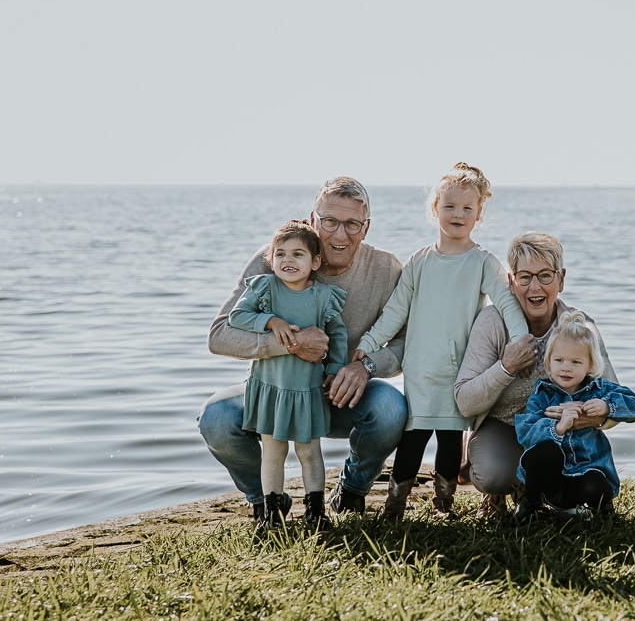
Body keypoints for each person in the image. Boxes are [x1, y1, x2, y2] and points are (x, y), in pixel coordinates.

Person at [200, 177, 407, 523]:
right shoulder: (277, 258)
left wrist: (365, 367)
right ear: (313, 220)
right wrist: (291, 345)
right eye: (329, 222)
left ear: (366, 227)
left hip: (336, 393)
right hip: (276, 393)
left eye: (352, 224)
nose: (340, 235)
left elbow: (406, 342)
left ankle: (351, 490)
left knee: (390, 408)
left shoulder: (387, 269)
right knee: (217, 418)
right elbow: (220, 334)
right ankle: (266, 501)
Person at [355, 163, 529, 519]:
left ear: (479, 213)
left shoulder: (482, 262)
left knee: (450, 440)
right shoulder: (419, 262)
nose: (458, 214)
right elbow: (394, 311)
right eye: (449, 206)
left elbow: (507, 302)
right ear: (435, 208)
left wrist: (522, 338)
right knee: (413, 438)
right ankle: (395, 505)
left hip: (458, 371)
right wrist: (370, 342)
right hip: (419, 370)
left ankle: (443, 504)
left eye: (467, 208)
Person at [454, 231, 620, 516]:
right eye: (524, 277)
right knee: (493, 474)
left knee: (564, 463)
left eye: (545, 275)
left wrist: (581, 413)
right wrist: (506, 367)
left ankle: (545, 493)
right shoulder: (493, 322)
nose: (535, 287)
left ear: (561, 279)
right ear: (511, 281)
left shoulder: (580, 327)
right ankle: (508, 492)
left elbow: (613, 400)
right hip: (503, 426)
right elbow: (465, 401)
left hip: (561, 435)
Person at [227, 220, 347, 532]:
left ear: (315, 261)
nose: (288, 261)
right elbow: (237, 317)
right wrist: (270, 321)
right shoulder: (264, 288)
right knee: (273, 451)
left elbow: (337, 335)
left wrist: (334, 370)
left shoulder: (323, 296)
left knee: (309, 451)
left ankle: (316, 511)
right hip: (271, 387)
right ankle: (271, 513)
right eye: (280, 254)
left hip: (307, 388)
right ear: (271, 259)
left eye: (297, 254)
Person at [512, 310, 635, 523]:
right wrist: (557, 427)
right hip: (549, 482)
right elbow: (525, 430)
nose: (566, 367)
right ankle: (530, 503)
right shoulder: (542, 393)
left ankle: (602, 511)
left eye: (576, 362)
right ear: (549, 362)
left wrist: (606, 406)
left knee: (595, 482)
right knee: (546, 450)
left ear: (590, 365)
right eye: (559, 360)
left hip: (583, 476)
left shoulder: (599, 389)